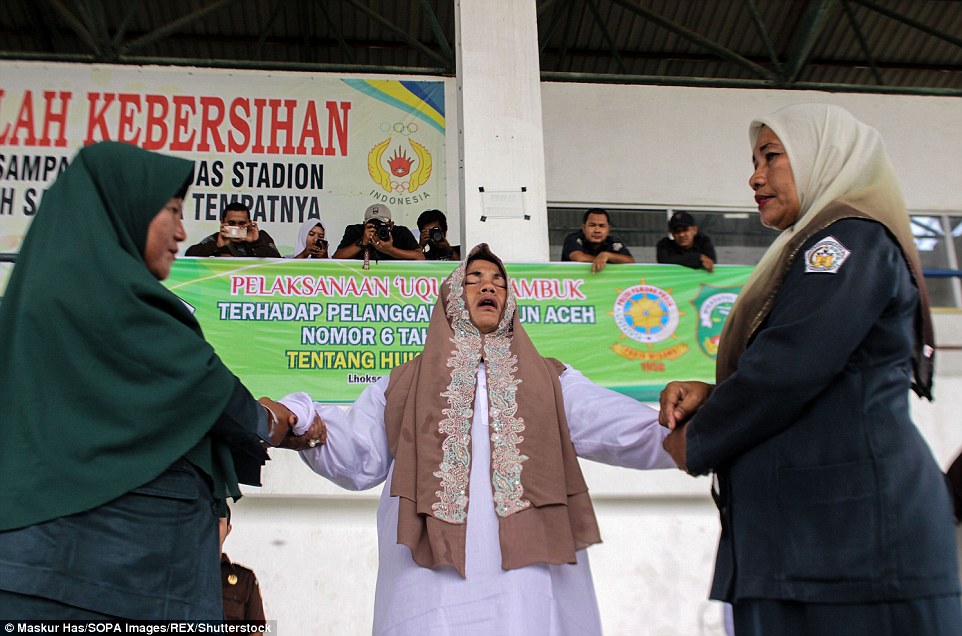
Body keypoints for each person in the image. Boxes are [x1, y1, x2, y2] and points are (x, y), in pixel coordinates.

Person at [659, 103, 961, 635]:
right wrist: (715, 394)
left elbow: (790, 366)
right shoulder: (808, 247)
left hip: (854, 545)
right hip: (810, 542)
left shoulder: (847, 241)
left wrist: (700, 438)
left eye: (771, 157)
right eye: (754, 162)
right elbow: (812, 368)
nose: (755, 177)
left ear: (824, 156)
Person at [276, 244, 674, 636]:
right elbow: (358, 456)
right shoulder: (401, 383)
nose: (489, 287)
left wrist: (685, 424)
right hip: (426, 580)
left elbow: (613, 422)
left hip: (529, 577)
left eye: (499, 281)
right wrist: (303, 421)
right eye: (474, 280)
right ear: (451, 297)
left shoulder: (552, 379)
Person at [0, 142, 323, 620]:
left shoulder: (26, 311)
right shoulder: (128, 306)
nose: (181, 231)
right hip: (129, 579)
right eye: (171, 210)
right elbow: (224, 401)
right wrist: (282, 420)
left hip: (23, 567)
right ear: (122, 210)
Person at [220, 505, 267, 625]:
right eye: (205, 522)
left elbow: (255, 630)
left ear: (228, 530)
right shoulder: (178, 574)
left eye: (217, 523)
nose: (210, 528)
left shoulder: (245, 580)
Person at [186, 201, 282, 257]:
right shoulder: (217, 239)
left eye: (242, 223)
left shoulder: (261, 237)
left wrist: (256, 242)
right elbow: (189, 256)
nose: (236, 227)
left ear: (249, 223)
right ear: (222, 222)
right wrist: (216, 246)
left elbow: (278, 262)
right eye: (231, 223)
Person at [332, 203, 424, 262]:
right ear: (364, 225)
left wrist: (390, 250)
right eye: (372, 225)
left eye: (381, 224)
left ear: (391, 224)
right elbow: (336, 258)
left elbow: (420, 257)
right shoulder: (355, 231)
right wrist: (362, 242)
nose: (377, 229)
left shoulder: (400, 232)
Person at [560, 208, 634, 272]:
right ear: (584, 228)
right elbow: (579, 258)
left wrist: (607, 255)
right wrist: (603, 260)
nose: (597, 230)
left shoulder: (613, 242)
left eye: (602, 226)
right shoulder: (573, 238)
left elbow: (631, 262)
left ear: (608, 229)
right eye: (592, 225)